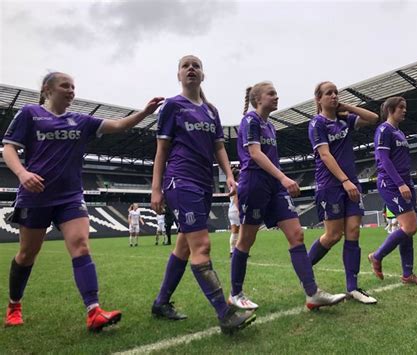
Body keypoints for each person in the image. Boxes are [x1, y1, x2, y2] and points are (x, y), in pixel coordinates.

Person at [1, 71, 163, 331]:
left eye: (74, 87)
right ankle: (14, 305)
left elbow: (119, 125)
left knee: (81, 245)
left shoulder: (81, 121)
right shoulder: (29, 114)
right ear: (47, 89)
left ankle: (94, 311)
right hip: (35, 197)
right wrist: (22, 173)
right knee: (27, 254)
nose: (71, 91)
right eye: (65, 86)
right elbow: (9, 147)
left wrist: (144, 113)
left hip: (70, 197)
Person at [150, 55, 256, 334]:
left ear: (202, 75)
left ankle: (160, 303)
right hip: (180, 181)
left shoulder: (211, 110)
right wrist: (156, 188)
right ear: (179, 75)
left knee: (184, 245)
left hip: (203, 184)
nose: (191, 68)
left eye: (195, 65)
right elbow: (162, 149)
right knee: (202, 247)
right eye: (185, 65)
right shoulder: (173, 106)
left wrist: (230, 176)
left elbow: (219, 148)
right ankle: (225, 314)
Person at [229, 81, 346, 311]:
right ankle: (235, 293)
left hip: (274, 187)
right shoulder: (250, 120)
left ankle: (312, 293)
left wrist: (279, 181)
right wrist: (283, 178)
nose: (277, 97)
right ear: (258, 99)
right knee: (246, 240)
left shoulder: (270, 126)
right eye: (271, 94)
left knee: (297, 235)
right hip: (254, 183)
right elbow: (255, 154)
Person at [307, 81, 379, 304]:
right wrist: (345, 181)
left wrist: (346, 105)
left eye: (336, 92)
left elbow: (374, 118)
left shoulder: (344, 120)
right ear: (319, 99)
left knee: (354, 232)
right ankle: (304, 270)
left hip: (351, 184)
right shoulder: (316, 124)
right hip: (331, 185)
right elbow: (326, 156)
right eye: (329, 93)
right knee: (333, 235)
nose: (334, 95)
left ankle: (353, 288)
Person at [368, 97, 417, 286]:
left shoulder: (400, 133)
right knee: (411, 227)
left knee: (408, 230)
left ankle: (408, 275)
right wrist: (400, 183)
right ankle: (376, 256)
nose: (405, 110)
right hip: (391, 183)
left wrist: (406, 182)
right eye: (401, 107)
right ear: (390, 109)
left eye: (405, 107)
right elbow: (384, 159)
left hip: (406, 182)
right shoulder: (383, 130)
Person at [228, 166, 240, 257]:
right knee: (238, 231)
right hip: (236, 209)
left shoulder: (232, 184)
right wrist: (239, 209)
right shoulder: (236, 185)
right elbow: (236, 198)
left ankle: (233, 250)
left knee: (234, 231)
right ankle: (236, 250)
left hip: (231, 210)